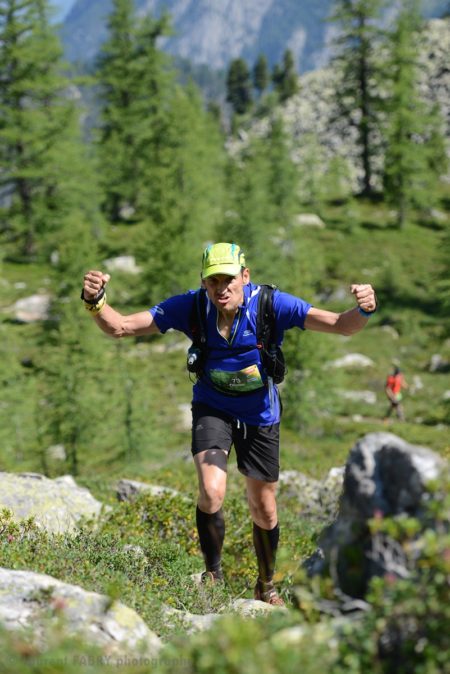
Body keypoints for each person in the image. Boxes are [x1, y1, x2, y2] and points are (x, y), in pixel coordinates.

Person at [81, 242, 377, 605]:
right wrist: (95, 301)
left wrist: (364, 308)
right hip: (212, 407)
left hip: (260, 414)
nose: (221, 288)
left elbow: (340, 325)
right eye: (213, 281)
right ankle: (212, 574)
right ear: (204, 283)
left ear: (245, 276)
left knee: (263, 507)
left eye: (229, 279)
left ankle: (265, 585)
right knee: (211, 490)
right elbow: (121, 327)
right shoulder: (191, 306)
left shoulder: (272, 305)